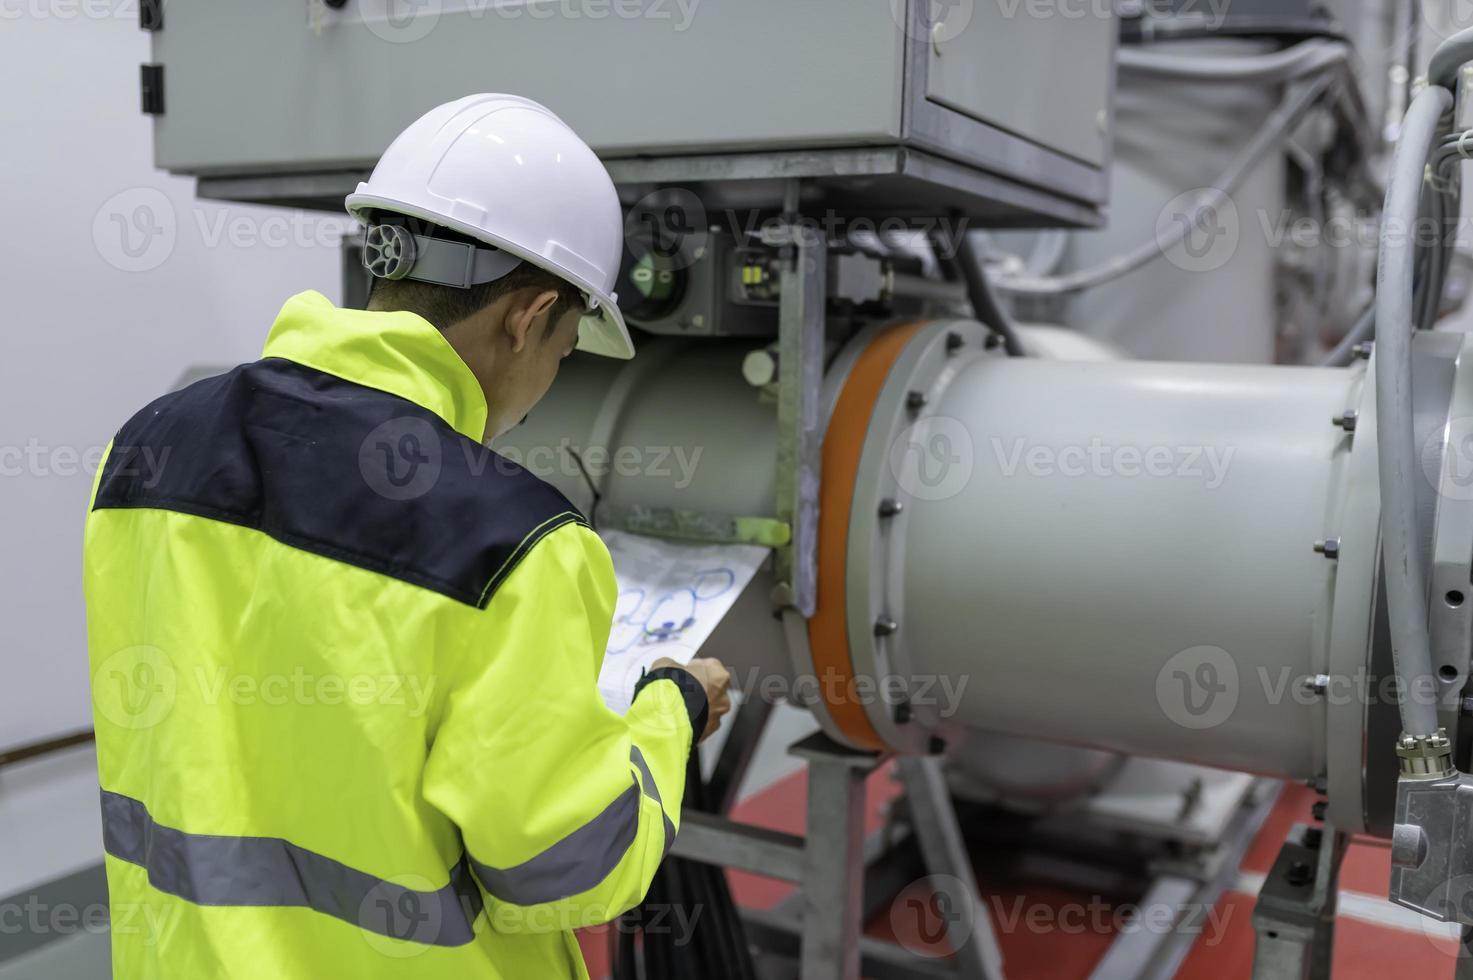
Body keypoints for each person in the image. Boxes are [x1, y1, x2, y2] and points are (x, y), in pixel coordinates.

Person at [83, 93, 731, 978]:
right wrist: (670, 709)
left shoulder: (145, 450)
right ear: (529, 318)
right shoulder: (514, 543)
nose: (549, 378)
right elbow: (566, 872)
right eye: (567, 346)